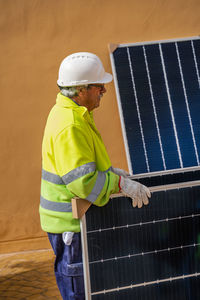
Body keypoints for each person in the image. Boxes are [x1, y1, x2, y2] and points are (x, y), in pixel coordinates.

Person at [39, 52, 151, 300]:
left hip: (74, 224)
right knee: (81, 292)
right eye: (99, 85)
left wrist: (111, 174)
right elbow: (82, 182)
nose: (104, 90)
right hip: (71, 227)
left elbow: (82, 168)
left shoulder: (74, 114)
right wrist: (121, 184)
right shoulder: (71, 125)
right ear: (80, 90)